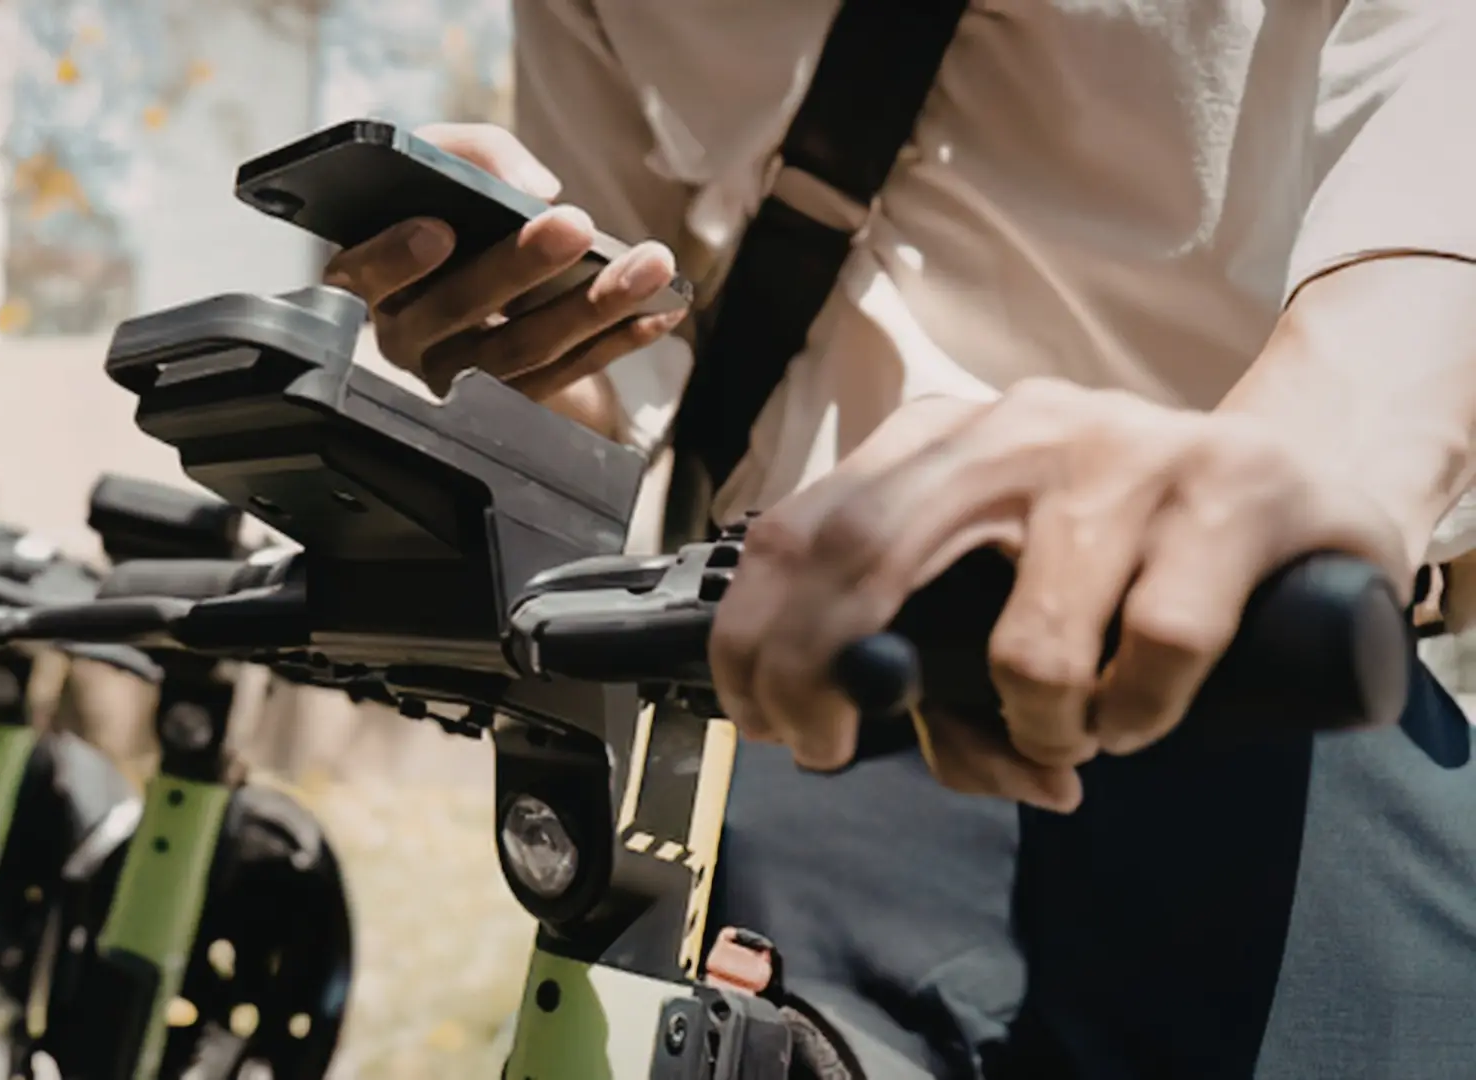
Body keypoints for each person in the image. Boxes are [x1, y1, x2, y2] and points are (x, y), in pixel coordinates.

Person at [322, 2, 1476, 1077]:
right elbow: (648, 381)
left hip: (1239, 682)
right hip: (787, 715)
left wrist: (1310, 457)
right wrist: (529, 358)